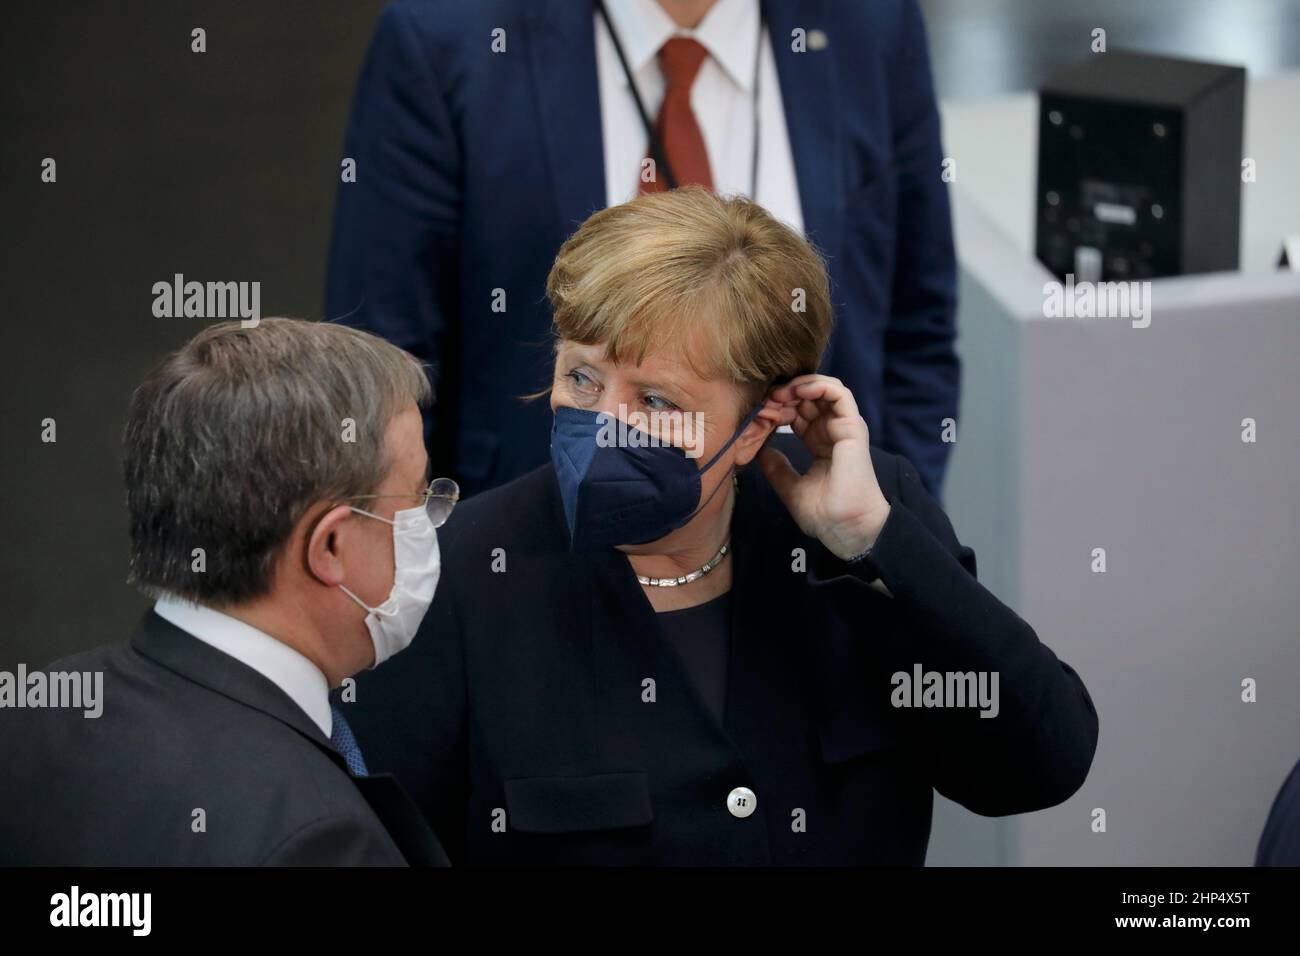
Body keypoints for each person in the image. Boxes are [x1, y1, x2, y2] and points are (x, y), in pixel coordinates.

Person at [344, 188, 1097, 865]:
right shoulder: (461, 574)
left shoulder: (866, 531)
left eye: (658, 402)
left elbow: (1040, 764)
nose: (605, 426)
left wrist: (875, 543)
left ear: (758, 423)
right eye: (582, 377)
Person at [326, 0, 959, 497]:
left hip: (807, 572)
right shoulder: (445, 38)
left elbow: (919, 320)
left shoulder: (872, 25)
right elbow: (382, 355)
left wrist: (890, 521)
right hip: (537, 563)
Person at [0, 318, 456, 866]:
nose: (429, 516)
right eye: (416, 494)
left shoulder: (29, 716)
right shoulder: (317, 839)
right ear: (329, 545)